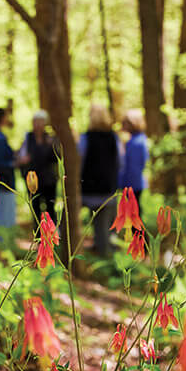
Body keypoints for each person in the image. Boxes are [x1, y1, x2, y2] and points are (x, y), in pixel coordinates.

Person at [79, 103, 122, 256]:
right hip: (108, 187)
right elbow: (120, 162)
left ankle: (101, 254)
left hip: (88, 187)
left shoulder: (85, 138)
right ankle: (106, 255)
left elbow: (80, 160)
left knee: (72, 219)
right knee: (104, 225)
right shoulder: (114, 138)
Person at [16, 110, 59, 228]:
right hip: (32, 179)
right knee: (35, 208)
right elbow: (20, 156)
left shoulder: (51, 138)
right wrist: (22, 159)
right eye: (36, 121)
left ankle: (52, 235)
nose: (38, 124)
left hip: (49, 180)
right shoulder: (27, 138)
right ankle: (39, 237)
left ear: (45, 123)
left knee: (50, 208)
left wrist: (52, 146)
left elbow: (57, 157)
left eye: (41, 121)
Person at [118, 109, 149, 209]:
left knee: (133, 212)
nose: (123, 126)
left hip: (132, 184)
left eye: (125, 123)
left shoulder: (136, 142)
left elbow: (133, 167)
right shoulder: (136, 139)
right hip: (133, 183)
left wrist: (122, 184)